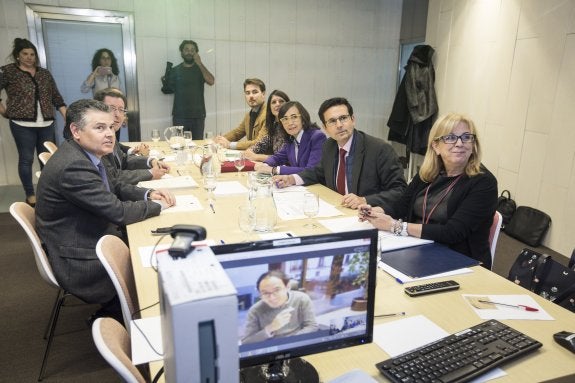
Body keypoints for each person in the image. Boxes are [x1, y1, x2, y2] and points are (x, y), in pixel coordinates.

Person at [35, 99, 175, 317]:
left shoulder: (84, 153)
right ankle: (118, 316)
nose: (110, 133)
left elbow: (115, 183)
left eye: (110, 127)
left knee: (164, 245)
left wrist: (147, 194)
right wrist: (158, 205)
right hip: (81, 257)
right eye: (100, 128)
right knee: (158, 262)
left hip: (90, 233)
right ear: (76, 130)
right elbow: (118, 212)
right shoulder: (74, 165)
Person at [358, 113, 498, 268]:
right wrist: (375, 211)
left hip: (460, 261)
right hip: (416, 248)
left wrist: (396, 226)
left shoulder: (484, 182)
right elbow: (401, 206)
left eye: (466, 137)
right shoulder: (429, 173)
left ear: (473, 145)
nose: (460, 143)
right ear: (435, 146)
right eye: (450, 137)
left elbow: (453, 232)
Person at [273, 97, 406, 211]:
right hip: (338, 210)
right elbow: (318, 172)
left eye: (343, 118)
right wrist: (291, 179)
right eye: (332, 121)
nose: (339, 125)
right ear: (325, 128)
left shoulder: (379, 149)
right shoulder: (329, 146)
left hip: (368, 215)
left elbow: (400, 190)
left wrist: (364, 199)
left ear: (353, 119)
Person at [0, 38, 67, 207]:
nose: (29, 57)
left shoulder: (44, 73)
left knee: (47, 160)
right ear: (17, 56)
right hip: (22, 125)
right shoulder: (8, 71)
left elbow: (56, 98)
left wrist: (69, 118)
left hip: (46, 123)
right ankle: (30, 194)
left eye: (32, 54)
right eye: (25, 54)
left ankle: (46, 192)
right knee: (26, 159)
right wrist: (3, 111)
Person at [94, 88, 169, 184]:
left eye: (121, 110)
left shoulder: (111, 133)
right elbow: (112, 177)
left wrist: (150, 161)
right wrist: (150, 173)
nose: (117, 114)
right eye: (111, 108)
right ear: (97, 109)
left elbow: (123, 160)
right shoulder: (96, 140)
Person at [242, 270, 318, 344]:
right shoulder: (255, 310)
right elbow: (246, 342)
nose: (272, 298)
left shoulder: (302, 299)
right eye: (265, 293)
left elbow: (312, 326)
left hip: (297, 344)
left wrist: (289, 343)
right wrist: (270, 328)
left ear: (288, 287)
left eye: (277, 290)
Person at [254, 101, 326, 175]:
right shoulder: (291, 139)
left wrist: (275, 170)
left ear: (303, 119)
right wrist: (264, 165)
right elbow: (278, 157)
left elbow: (311, 171)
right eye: (285, 119)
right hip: (299, 185)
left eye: (294, 117)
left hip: (317, 185)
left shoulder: (317, 137)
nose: (290, 123)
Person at [161, 40, 215, 140]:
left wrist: (200, 63)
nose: (189, 52)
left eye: (192, 50)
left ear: (196, 53)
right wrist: (165, 81)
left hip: (198, 116)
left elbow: (211, 81)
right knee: (179, 145)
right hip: (179, 116)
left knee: (197, 145)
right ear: (181, 52)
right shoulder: (175, 70)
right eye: (186, 49)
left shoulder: (200, 69)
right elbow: (166, 90)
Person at [214, 78, 267, 150]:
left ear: (263, 94)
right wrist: (220, 140)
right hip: (252, 155)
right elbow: (237, 133)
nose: (251, 96)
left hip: (265, 158)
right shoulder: (249, 114)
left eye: (255, 92)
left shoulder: (268, 115)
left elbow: (259, 143)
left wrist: (229, 145)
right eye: (247, 93)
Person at [244, 89, 290, 162]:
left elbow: (285, 157)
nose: (277, 104)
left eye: (281, 101)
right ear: (270, 108)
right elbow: (261, 144)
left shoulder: (291, 127)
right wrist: (250, 151)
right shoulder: (275, 126)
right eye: (274, 102)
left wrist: (257, 157)